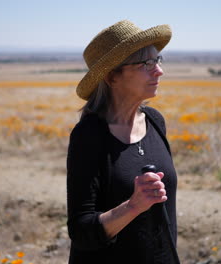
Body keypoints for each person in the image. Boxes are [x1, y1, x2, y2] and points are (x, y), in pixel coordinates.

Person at [66, 20, 178, 264]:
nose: (158, 71)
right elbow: (81, 231)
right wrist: (133, 206)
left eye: (158, 61)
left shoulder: (155, 122)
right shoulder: (89, 136)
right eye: (146, 64)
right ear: (111, 76)